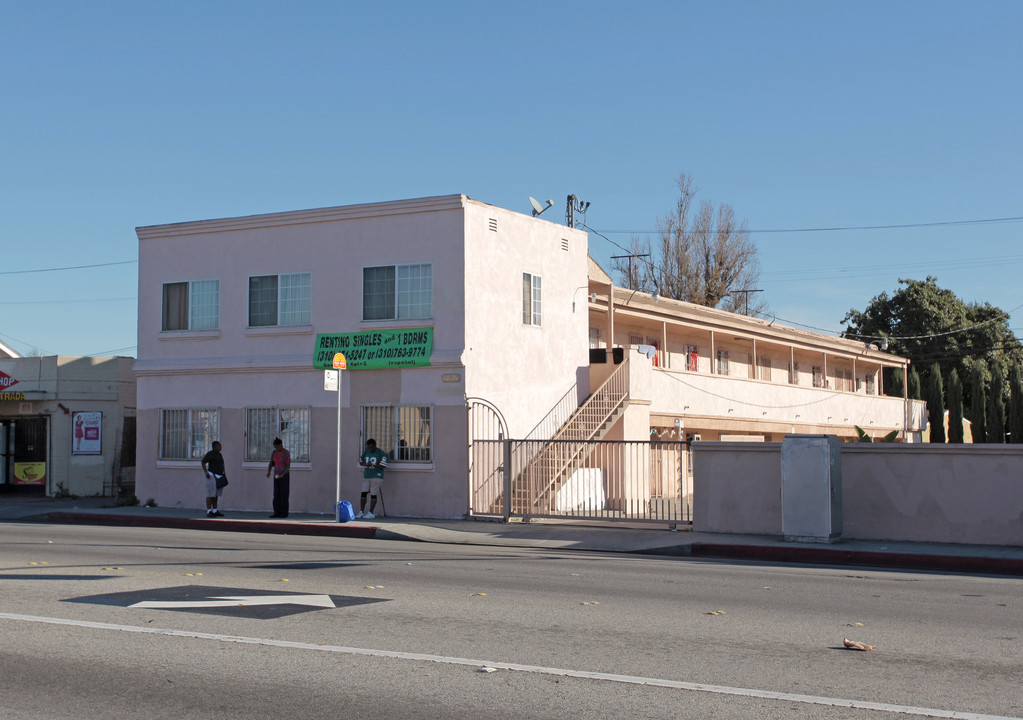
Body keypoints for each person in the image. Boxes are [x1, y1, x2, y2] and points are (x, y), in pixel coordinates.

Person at [356, 438, 388, 519]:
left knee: (373, 494)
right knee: (363, 493)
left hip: (377, 476)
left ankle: (371, 512)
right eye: (368, 447)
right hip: (367, 475)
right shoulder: (366, 452)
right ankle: (361, 512)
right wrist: (363, 463)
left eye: (371, 447)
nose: (370, 449)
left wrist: (372, 465)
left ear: (375, 446)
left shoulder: (381, 453)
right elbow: (361, 460)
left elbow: (383, 465)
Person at [200, 441, 227, 518]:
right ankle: (209, 511)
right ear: (214, 447)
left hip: (219, 476)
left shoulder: (219, 455)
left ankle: (215, 510)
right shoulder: (210, 454)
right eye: (219, 446)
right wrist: (206, 473)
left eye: (220, 445)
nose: (220, 447)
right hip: (211, 476)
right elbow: (203, 462)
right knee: (210, 494)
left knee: (216, 494)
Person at [266, 437, 291, 518]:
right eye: (275, 447)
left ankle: (284, 513)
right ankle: (276, 512)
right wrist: (269, 472)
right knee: (276, 494)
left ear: (281, 445)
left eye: (278, 447)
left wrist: (283, 474)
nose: (277, 449)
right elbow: (271, 463)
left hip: (284, 476)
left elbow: (288, 466)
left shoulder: (286, 453)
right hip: (276, 475)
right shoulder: (274, 453)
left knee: (284, 494)